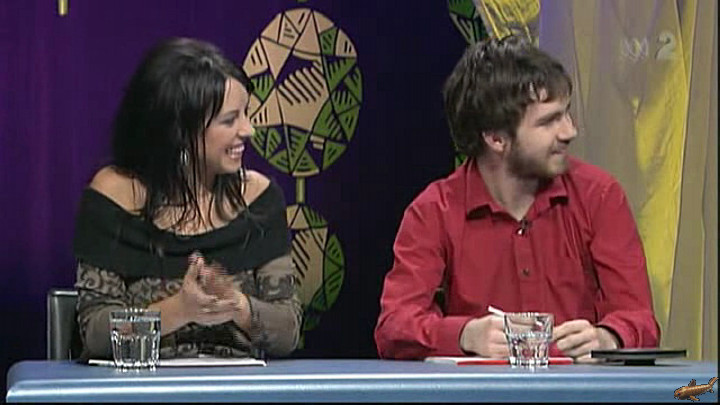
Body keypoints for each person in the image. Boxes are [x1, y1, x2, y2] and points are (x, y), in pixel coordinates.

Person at [374, 35, 660, 362]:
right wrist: (466, 334)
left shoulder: (599, 196)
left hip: (579, 387)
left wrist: (608, 337)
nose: (569, 132)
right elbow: (394, 327)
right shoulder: (434, 211)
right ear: (496, 138)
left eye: (566, 114)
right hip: (479, 389)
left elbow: (640, 320)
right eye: (549, 121)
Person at [73, 37, 302, 360]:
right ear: (180, 131)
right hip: (142, 384)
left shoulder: (258, 198)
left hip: (236, 383)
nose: (248, 130)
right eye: (230, 120)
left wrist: (237, 306)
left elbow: (287, 333)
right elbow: (95, 335)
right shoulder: (115, 197)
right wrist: (179, 310)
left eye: (246, 114)